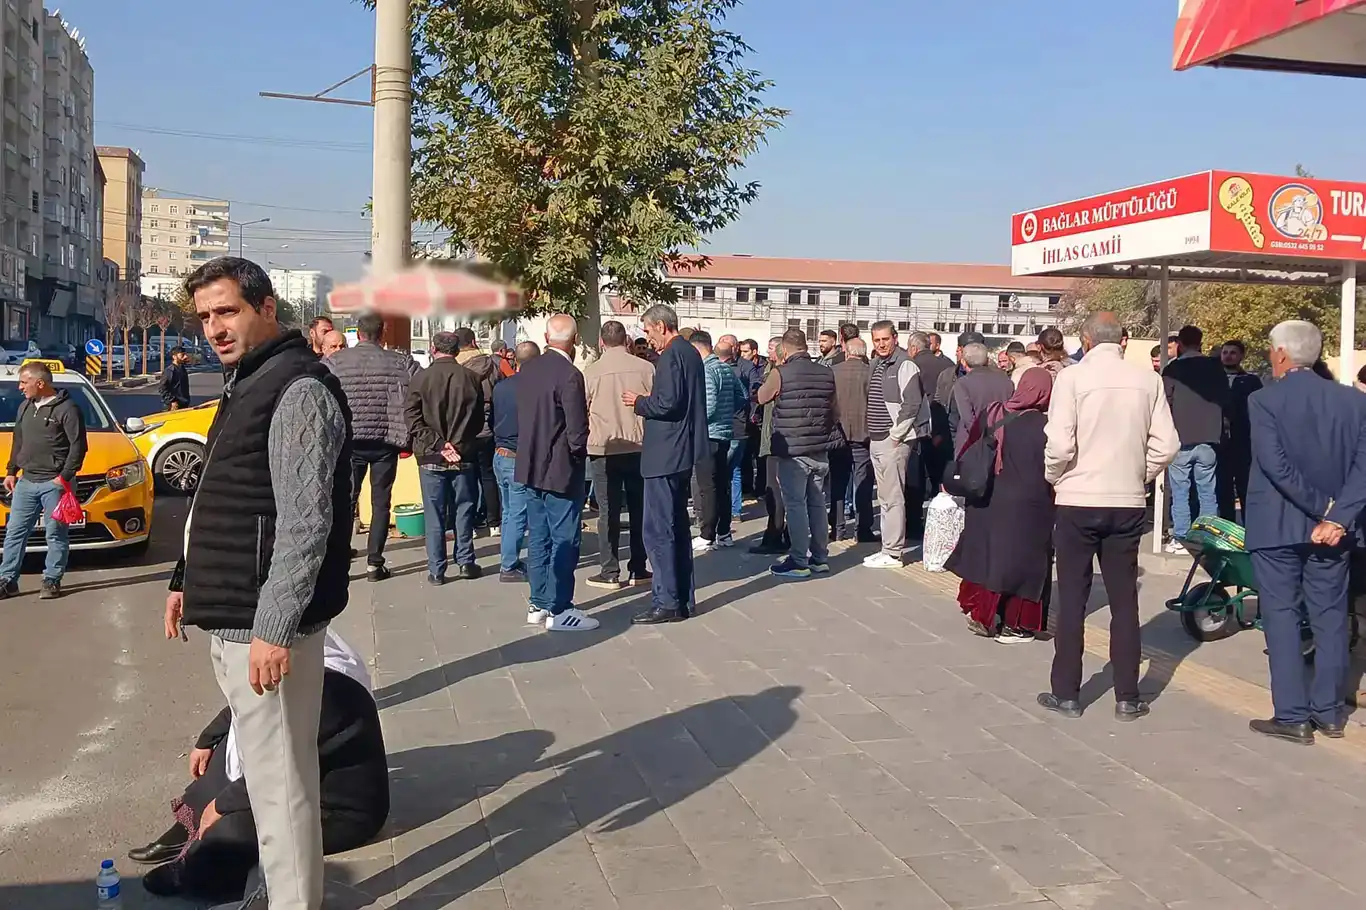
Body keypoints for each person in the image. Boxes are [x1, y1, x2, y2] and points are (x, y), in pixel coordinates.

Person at [168, 256, 352, 910]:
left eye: (228, 311)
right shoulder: (246, 380)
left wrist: (274, 630)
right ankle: (278, 891)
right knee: (276, 778)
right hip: (239, 617)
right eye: (205, 317)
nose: (214, 328)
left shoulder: (296, 388)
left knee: (280, 786)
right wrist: (184, 577)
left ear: (266, 308)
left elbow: (306, 524)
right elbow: (224, 492)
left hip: (264, 629)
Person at [133, 631, 388, 904]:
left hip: (338, 811)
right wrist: (207, 740)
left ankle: (195, 868)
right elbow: (243, 706)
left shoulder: (327, 695)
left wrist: (220, 806)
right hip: (301, 782)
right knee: (223, 752)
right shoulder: (298, 672)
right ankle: (189, 826)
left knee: (234, 830)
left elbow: (274, 766)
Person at [1039, 312, 1179, 722]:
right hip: (1126, 500)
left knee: (1073, 599)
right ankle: (1128, 695)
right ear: (1123, 339)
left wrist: (1054, 477)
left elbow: (1060, 444)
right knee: (1124, 600)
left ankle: (1066, 692)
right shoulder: (1148, 380)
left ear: (1084, 339)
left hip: (1078, 498)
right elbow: (1167, 445)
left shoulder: (1071, 379)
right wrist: (1141, 474)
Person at [1245, 321, 1366, 745]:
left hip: (1278, 527)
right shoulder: (1354, 402)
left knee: (1280, 616)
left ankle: (1292, 716)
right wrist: (1339, 517)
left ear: (1280, 354)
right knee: (1331, 617)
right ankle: (1330, 713)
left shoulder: (1263, 400)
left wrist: (1324, 510)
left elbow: (1275, 464)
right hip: (1335, 533)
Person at [946, 368, 1056, 643]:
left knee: (989, 557)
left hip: (988, 499)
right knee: (1024, 564)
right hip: (1031, 506)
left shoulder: (994, 413)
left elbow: (968, 447)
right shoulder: (1050, 426)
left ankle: (982, 614)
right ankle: (1015, 624)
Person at [623, 304, 708, 623]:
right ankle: (681, 597)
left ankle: (667, 599)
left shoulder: (673, 354)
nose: (648, 337)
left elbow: (669, 402)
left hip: (666, 452)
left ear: (661, 326)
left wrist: (640, 402)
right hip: (681, 449)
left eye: (648, 330)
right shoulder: (688, 352)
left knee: (658, 529)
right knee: (676, 527)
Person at [326, 311, 420, 582]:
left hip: (349, 441)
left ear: (358, 332)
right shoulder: (401, 362)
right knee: (381, 503)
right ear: (383, 332)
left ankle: (340, 559)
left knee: (346, 501)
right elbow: (421, 384)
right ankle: (374, 564)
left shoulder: (336, 361)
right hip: (385, 441)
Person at [518, 315, 595, 631]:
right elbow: (578, 430)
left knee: (539, 537)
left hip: (530, 465)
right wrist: (578, 456)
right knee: (565, 538)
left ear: (547, 336)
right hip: (561, 468)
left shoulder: (529, 369)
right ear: (574, 340)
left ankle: (538, 602)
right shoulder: (570, 375)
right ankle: (560, 607)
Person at [0, 360, 87, 600]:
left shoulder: (68, 409)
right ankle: (7, 580)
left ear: (40, 383)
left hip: (54, 484)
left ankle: (51, 579)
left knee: (55, 533)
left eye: (24, 382)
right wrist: (11, 471)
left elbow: (78, 447)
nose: (20, 387)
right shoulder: (25, 407)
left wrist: (64, 478)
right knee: (15, 532)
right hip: (27, 482)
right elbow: (18, 440)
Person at [758, 328, 839, 578]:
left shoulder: (781, 372)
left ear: (785, 348)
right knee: (817, 502)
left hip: (793, 450)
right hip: (820, 447)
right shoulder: (826, 372)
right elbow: (834, 410)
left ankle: (798, 560)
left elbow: (761, 398)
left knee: (796, 504)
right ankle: (820, 558)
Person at [406, 331, 485, 584]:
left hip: (431, 455)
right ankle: (465, 561)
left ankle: (437, 570)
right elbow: (477, 419)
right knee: (464, 509)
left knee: (434, 513)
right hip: (463, 454)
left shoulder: (420, 379)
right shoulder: (472, 378)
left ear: (432, 348)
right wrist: (456, 445)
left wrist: (439, 444)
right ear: (458, 350)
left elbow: (412, 419)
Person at [582, 321, 653, 590]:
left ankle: (609, 570)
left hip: (603, 448)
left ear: (602, 342)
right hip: (638, 445)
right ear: (627, 341)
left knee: (607, 511)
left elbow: (582, 408)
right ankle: (638, 567)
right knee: (638, 509)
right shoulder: (646, 368)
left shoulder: (591, 372)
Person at [863, 323, 925, 569]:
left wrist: (896, 434)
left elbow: (912, 403)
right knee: (885, 496)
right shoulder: (876, 364)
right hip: (876, 437)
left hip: (893, 440)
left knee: (893, 496)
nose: (881, 344)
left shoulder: (905, 364)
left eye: (885, 339)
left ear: (895, 338)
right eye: (876, 340)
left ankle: (893, 552)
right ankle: (887, 548)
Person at [1162, 325, 1229, 551]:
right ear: (1201, 342)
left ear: (1179, 343)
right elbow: (1225, 399)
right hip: (1209, 437)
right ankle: (1208, 537)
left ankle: (1181, 537)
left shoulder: (1173, 369)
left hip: (1181, 437)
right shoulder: (1215, 367)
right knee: (1207, 491)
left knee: (1180, 492)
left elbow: (1165, 401)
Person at [488, 341, 540, 584]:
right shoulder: (535, 388)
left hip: (501, 453)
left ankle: (508, 558)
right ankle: (508, 565)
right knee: (518, 513)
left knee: (509, 511)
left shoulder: (501, 387)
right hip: (520, 455)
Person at [691, 330, 747, 552]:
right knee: (722, 485)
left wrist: (695, 420)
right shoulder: (725, 368)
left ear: (698, 348)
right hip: (725, 433)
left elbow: (709, 405)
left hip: (709, 434)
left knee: (707, 487)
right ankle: (724, 533)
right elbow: (742, 396)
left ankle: (707, 535)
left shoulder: (706, 370)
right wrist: (728, 413)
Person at [454, 327, 503, 536]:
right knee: (489, 476)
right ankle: (494, 522)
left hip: (464, 427)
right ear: (473, 341)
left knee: (466, 477)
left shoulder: (454, 365)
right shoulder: (491, 364)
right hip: (489, 425)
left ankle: (470, 523)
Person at [750, 335, 791, 556]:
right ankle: (781, 533)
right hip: (780, 438)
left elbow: (762, 396)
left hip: (775, 439)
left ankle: (776, 534)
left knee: (775, 490)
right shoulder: (772, 370)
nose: (770, 353)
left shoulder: (778, 373)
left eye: (773, 349)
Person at [832, 337, 875, 542]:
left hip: (838, 435)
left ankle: (838, 528)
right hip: (864, 435)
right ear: (864, 353)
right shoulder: (871, 372)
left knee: (838, 483)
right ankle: (862, 529)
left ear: (847, 352)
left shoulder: (833, 371)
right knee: (863, 482)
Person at [1216, 339, 1263, 522]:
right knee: (1223, 487)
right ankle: (1227, 525)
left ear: (1241, 356)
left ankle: (1249, 527)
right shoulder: (1214, 380)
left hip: (1244, 441)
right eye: (1225, 352)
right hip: (1220, 442)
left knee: (1245, 486)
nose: (1228, 356)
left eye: (1233, 352)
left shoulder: (1250, 381)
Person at [949, 341, 1014, 460]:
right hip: (1002, 439)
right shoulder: (1005, 380)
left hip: (971, 444)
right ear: (987, 360)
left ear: (963, 362)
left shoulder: (963, 383)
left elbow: (968, 420)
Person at [719, 335, 760, 522]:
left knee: (729, 469)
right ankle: (729, 509)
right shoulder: (731, 370)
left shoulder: (744, 367)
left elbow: (753, 391)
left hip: (734, 425)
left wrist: (748, 414)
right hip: (729, 425)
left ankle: (731, 510)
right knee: (729, 470)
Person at [737, 337, 766, 501]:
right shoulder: (741, 365)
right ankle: (747, 486)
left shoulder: (764, 367)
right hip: (746, 416)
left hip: (759, 416)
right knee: (746, 455)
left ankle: (760, 487)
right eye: (741, 351)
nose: (743, 355)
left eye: (746, 351)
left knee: (759, 455)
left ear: (754, 352)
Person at [160, 346, 193, 410]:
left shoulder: (182, 369)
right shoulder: (170, 370)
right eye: (182, 355)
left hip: (184, 403)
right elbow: (162, 388)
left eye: (185, 354)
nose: (185, 357)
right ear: (174, 357)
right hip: (174, 406)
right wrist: (172, 401)